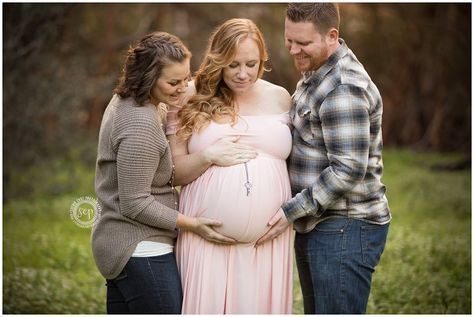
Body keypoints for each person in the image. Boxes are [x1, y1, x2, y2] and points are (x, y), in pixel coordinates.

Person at [257, 3, 392, 314]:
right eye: (289, 40)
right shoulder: (316, 70)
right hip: (320, 224)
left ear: (332, 36)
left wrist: (291, 211)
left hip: (343, 226)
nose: (293, 50)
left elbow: (347, 169)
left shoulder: (342, 86)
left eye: (303, 43)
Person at [91, 31, 235, 314]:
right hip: (141, 248)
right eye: (174, 82)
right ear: (147, 76)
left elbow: (161, 168)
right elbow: (135, 202)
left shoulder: (138, 103)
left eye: (186, 78)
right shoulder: (139, 123)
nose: (183, 88)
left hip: (129, 248)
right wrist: (192, 224)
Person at [166, 18, 294, 314]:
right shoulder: (189, 95)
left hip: (268, 244)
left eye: (251, 64)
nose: (242, 74)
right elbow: (173, 174)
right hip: (206, 240)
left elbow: (296, 166)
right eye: (233, 64)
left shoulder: (280, 97)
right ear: (217, 59)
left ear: (262, 59)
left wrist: (292, 213)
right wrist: (208, 155)